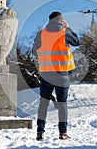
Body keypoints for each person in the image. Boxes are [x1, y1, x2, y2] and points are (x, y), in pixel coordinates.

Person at [33, 11, 80, 140]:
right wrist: (67, 27)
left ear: (49, 20)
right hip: (61, 74)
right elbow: (77, 42)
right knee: (62, 104)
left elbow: (34, 51)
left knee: (43, 103)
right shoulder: (65, 31)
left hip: (46, 73)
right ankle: (63, 133)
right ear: (61, 20)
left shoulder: (41, 34)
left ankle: (40, 132)